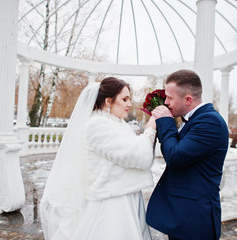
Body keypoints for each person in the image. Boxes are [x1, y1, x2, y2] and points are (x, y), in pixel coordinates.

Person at [40, 77, 157, 240]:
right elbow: (138, 156)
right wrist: (151, 128)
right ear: (109, 101)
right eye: (124, 99)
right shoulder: (97, 125)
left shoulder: (118, 123)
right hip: (112, 203)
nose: (129, 104)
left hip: (126, 196)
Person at [146, 69, 229, 240]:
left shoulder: (210, 121)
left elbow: (175, 157)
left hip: (196, 220)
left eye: (169, 97)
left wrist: (166, 122)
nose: (166, 102)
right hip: (183, 215)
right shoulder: (195, 119)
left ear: (188, 99)